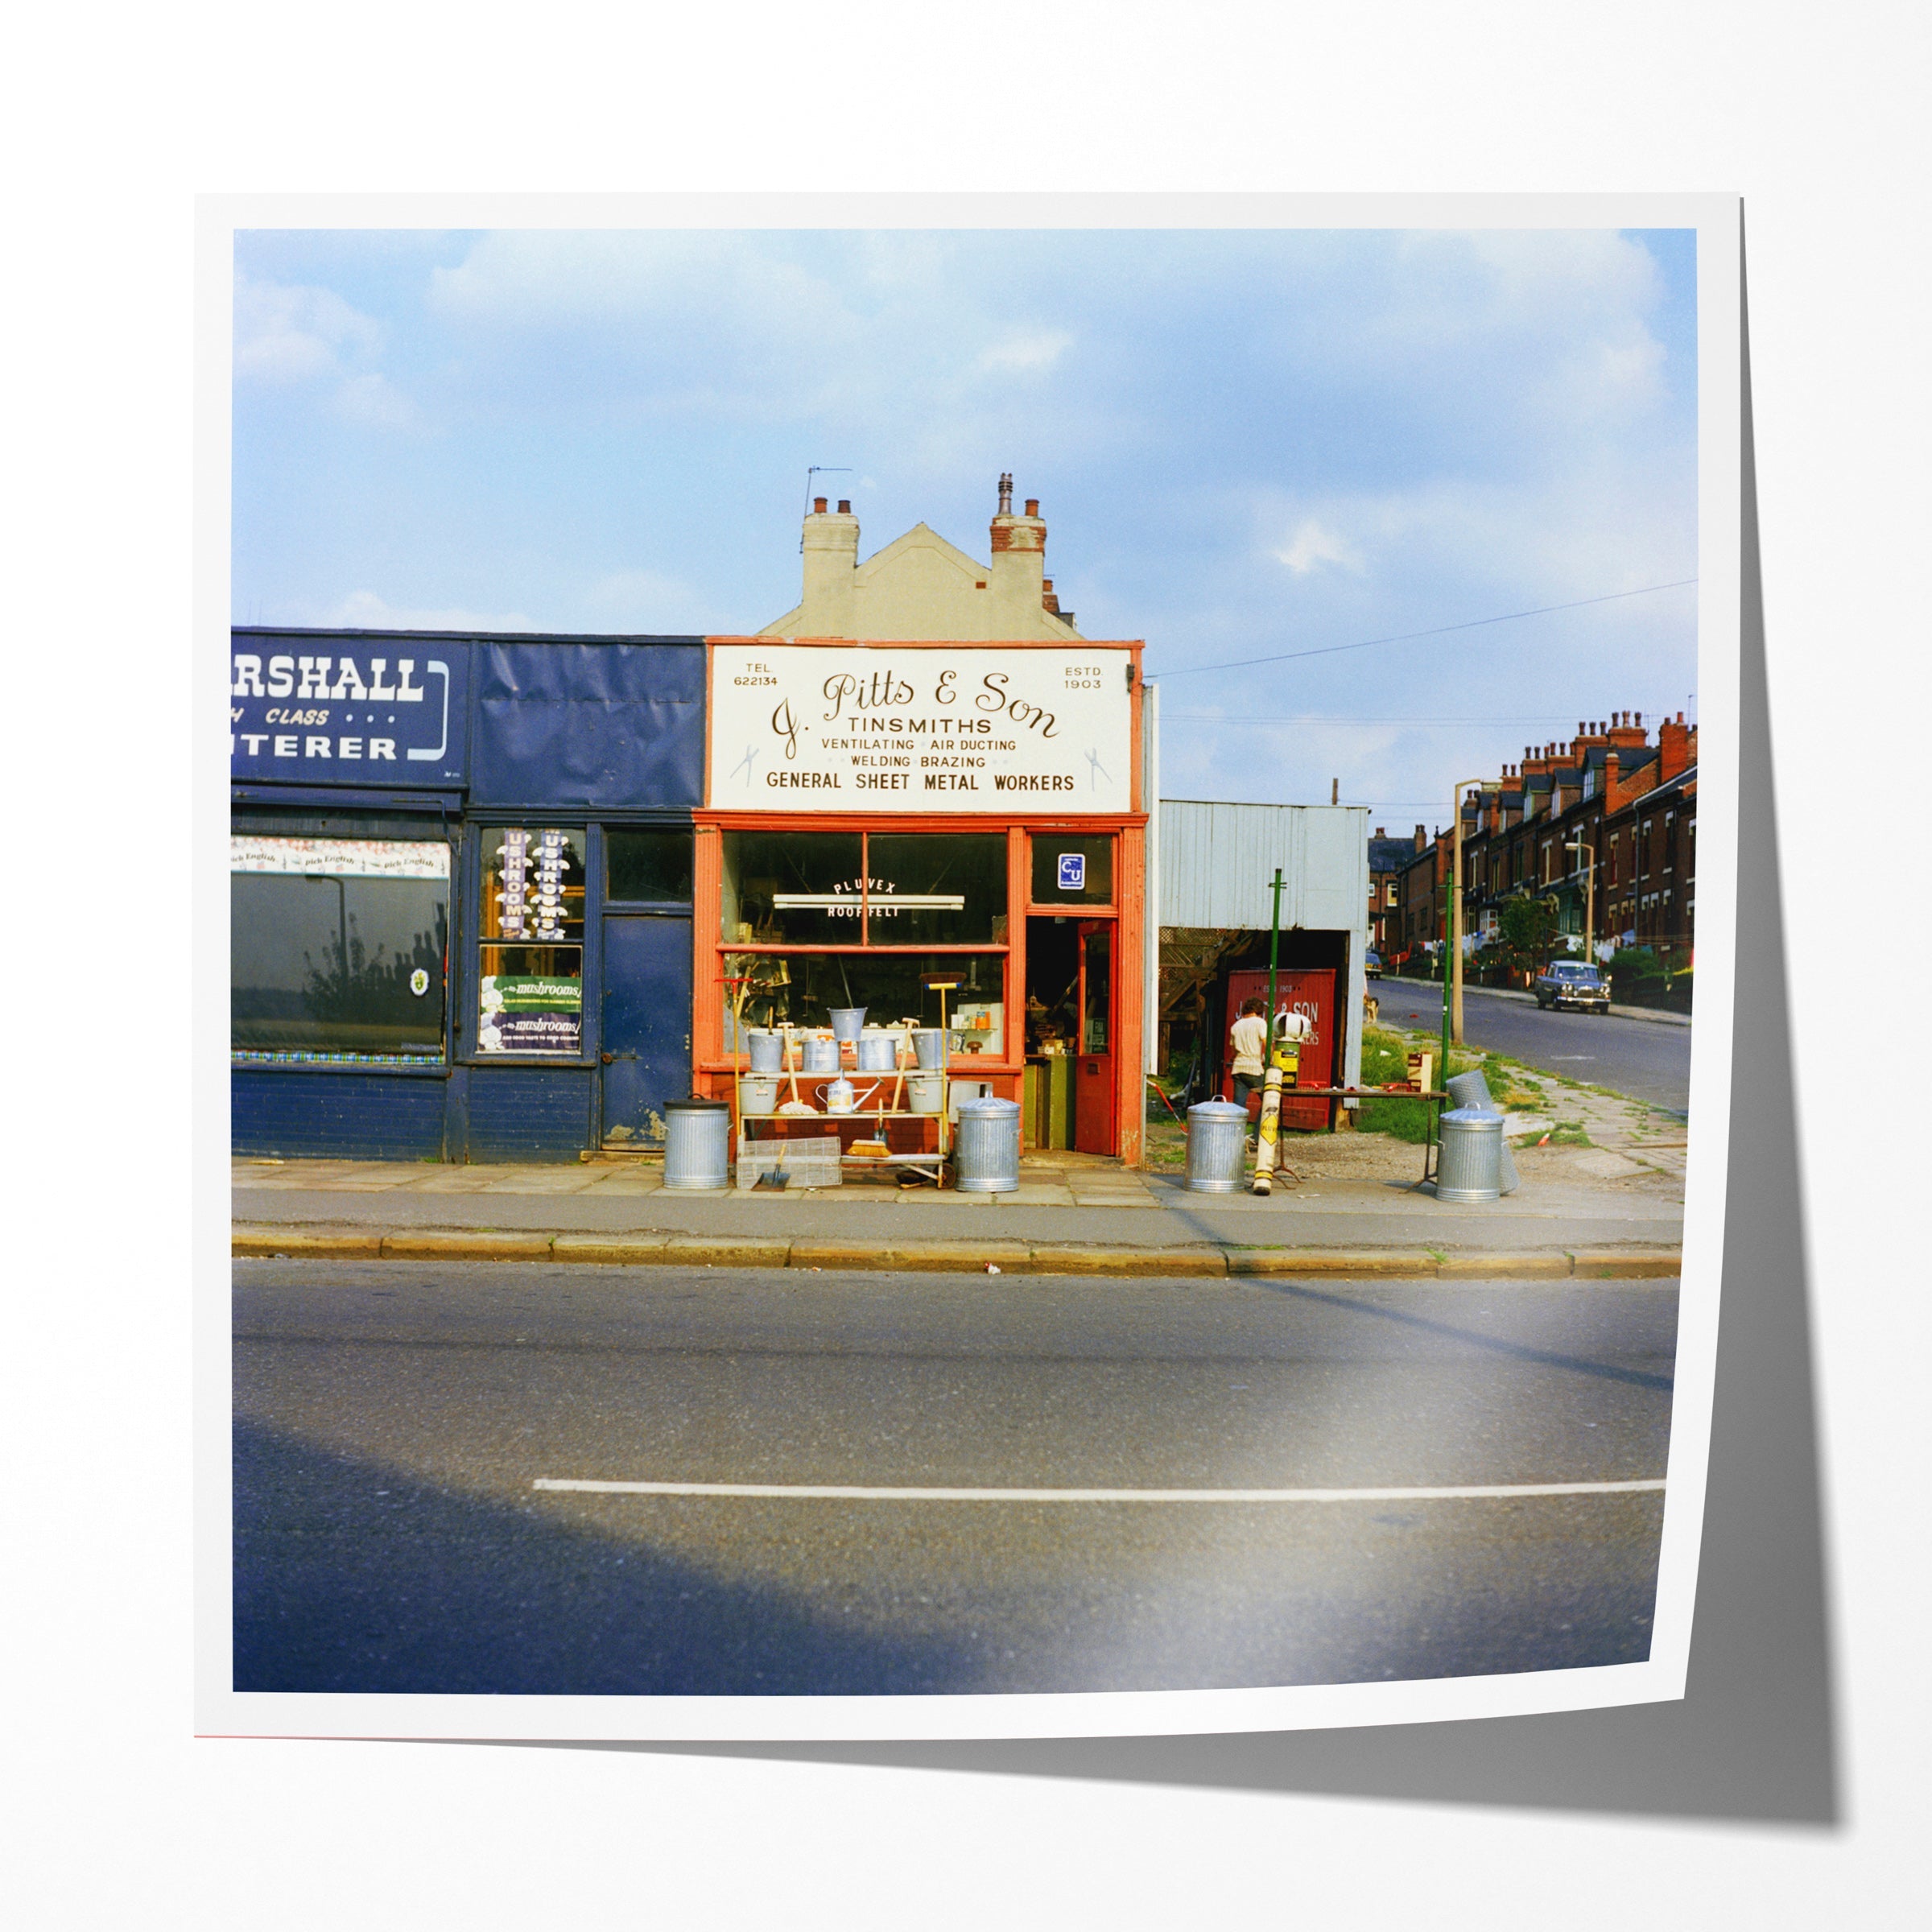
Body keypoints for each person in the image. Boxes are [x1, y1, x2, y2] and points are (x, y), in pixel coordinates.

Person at [1228, 996, 1269, 1123]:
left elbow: (1233, 1050)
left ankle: (1235, 1138)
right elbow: (1266, 1043)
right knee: (1270, 1101)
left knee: (1238, 1109)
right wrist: (1271, 1060)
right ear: (1259, 1011)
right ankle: (1258, 1138)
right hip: (1253, 1069)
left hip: (1238, 1069)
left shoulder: (1236, 1025)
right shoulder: (1260, 1022)